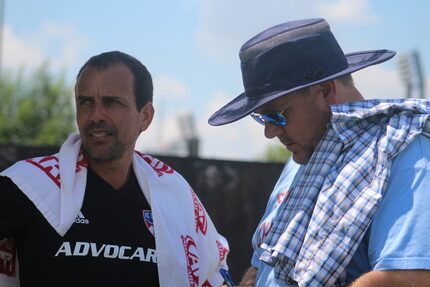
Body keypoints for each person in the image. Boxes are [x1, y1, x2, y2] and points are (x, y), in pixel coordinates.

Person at [208, 18, 430, 286]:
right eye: (262, 118)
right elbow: (263, 266)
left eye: (277, 116)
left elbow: (410, 278)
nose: (269, 132)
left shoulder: (404, 150)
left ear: (325, 91)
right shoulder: (300, 159)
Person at [0, 51, 229, 287]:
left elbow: (213, 276)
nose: (96, 115)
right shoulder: (31, 186)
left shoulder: (174, 194)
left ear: (146, 116)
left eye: (111, 102)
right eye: (86, 102)